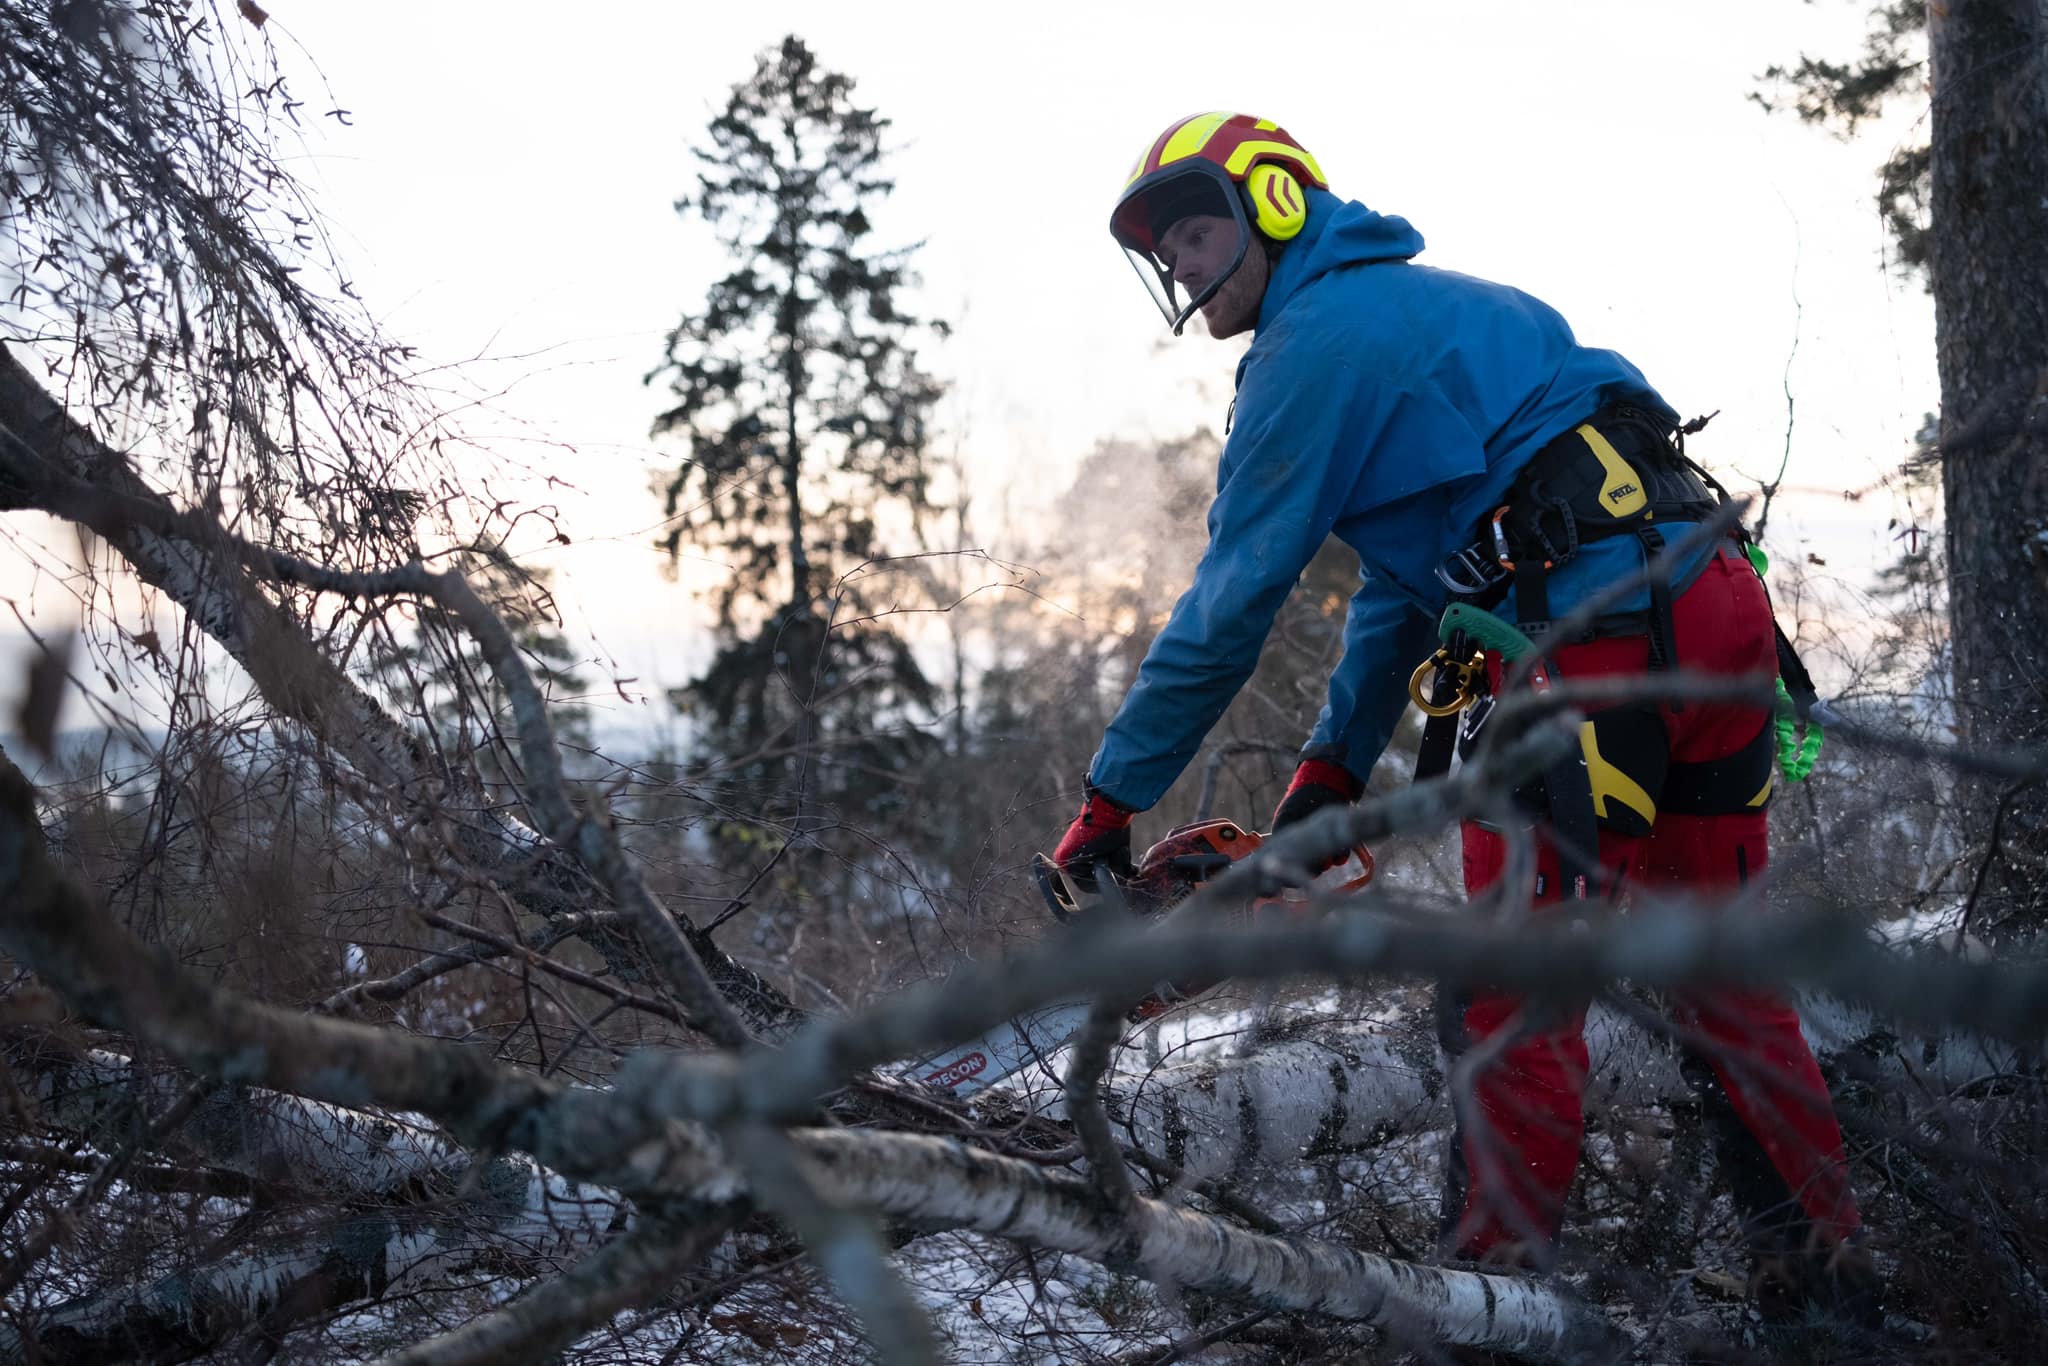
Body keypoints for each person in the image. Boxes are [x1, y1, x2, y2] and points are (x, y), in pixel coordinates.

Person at [1052, 111, 1877, 1324]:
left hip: (1591, 638)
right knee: (1723, 980)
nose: (1181, 259)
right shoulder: (1437, 310)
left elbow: (1230, 601)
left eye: (1195, 226)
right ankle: (1830, 1306)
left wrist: (1109, 801)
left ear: (1274, 205)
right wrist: (1327, 781)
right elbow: (1403, 595)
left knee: (1506, 987)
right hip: (1713, 613)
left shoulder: (1309, 344)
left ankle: (1495, 1313)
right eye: (1163, 244)